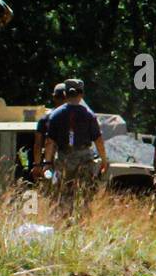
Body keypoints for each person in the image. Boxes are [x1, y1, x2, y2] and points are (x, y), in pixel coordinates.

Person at [42, 78, 108, 214]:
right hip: (84, 158)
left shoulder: (55, 115)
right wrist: (104, 160)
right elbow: (98, 140)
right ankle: (81, 220)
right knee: (84, 192)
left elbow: (50, 142)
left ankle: (64, 220)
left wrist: (47, 162)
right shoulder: (89, 115)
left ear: (65, 94)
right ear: (81, 94)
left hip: (63, 158)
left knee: (63, 192)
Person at [30, 82, 67, 181]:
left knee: (51, 191)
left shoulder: (45, 119)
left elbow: (38, 144)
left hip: (49, 161)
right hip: (72, 160)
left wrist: (37, 165)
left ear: (54, 97)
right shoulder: (76, 117)